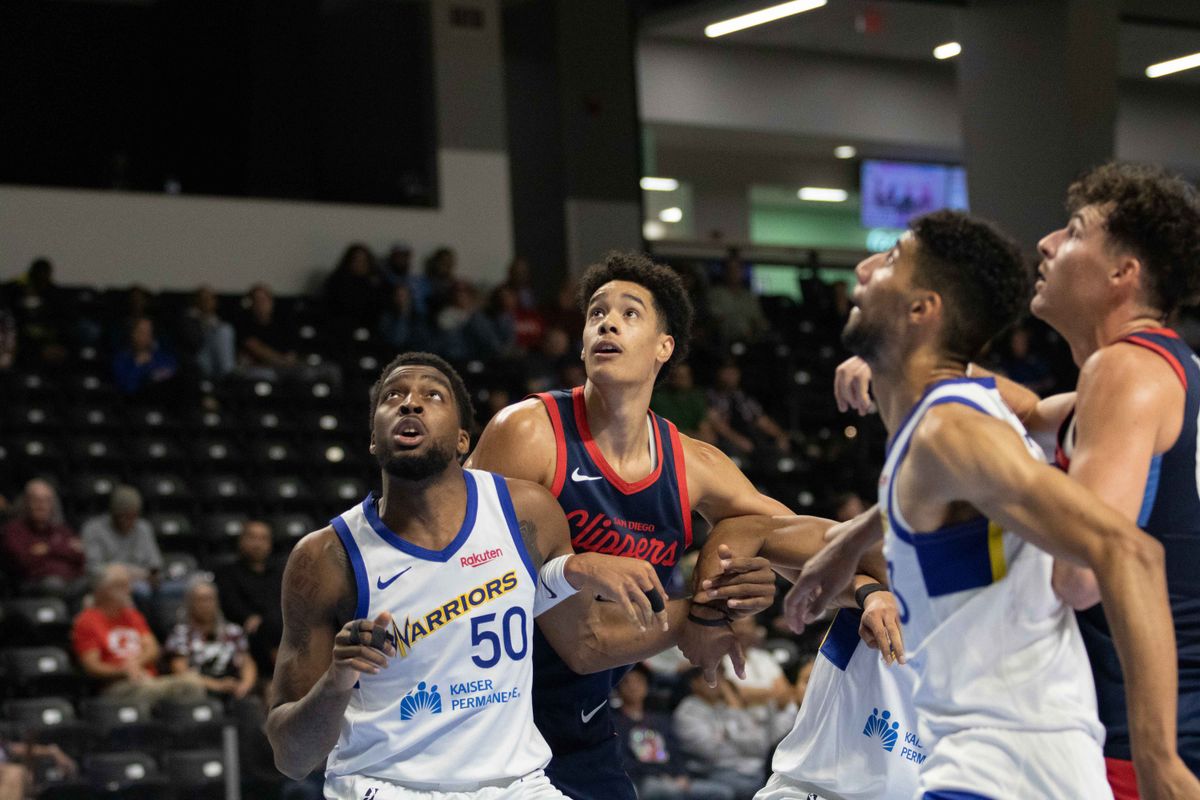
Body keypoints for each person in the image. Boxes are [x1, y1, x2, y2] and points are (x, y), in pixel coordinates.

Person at [787, 210, 1198, 798]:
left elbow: (1129, 552)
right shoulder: (962, 424)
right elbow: (1007, 431)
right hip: (1011, 761)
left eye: (891, 259)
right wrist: (848, 545)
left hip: (1007, 766)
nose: (863, 267)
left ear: (922, 311)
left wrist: (1161, 762)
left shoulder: (954, 431)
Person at [266, 352, 685, 798]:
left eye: (432, 395)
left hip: (518, 786)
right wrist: (336, 681)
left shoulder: (528, 513)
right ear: (374, 439)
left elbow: (574, 635)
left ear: (464, 438)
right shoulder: (325, 558)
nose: (411, 403)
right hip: (387, 786)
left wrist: (574, 569)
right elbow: (291, 758)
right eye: (394, 396)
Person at [466, 251, 787, 800]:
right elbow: (576, 638)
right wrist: (703, 613)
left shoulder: (692, 463)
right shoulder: (528, 433)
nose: (607, 323)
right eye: (595, 313)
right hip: (481, 716)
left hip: (579, 722)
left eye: (629, 313)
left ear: (666, 347)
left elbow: (793, 534)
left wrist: (867, 590)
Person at [71, 564, 205, 705]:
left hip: (148, 679)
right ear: (103, 590)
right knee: (147, 688)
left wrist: (136, 663)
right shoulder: (86, 621)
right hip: (116, 685)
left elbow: (153, 649)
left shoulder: (132, 616)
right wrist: (123, 671)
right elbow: (92, 666)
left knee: (192, 682)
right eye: (122, 586)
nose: (129, 590)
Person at [613, 665, 733, 800]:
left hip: (672, 778)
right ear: (618, 687)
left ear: (647, 685)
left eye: (638, 681)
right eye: (627, 682)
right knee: (668, 791)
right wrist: (659, 775)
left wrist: (681, 775)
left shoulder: (661, 720)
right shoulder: (613, 723)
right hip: (642, 779)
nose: (633, 686)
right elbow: (622, 760)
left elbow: (675, 750)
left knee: (721, 793)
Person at [672, 668, 783, 800]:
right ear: (695, 683)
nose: (719, 681)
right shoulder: (688, 712)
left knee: (778, 778)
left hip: (748, 769)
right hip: (711, 771)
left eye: (721, 675)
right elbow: (710, 752)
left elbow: (759, 744)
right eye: (712, 675)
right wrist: (742, 747)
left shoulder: (727, 707)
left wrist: (729, 735)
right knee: (763, 786)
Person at [214, 519, 284, 677]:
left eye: (263, 538)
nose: (257, 544)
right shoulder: (227, 573)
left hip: (277, 625)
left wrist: (264, 618)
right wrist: (248, 617)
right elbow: (230, 604)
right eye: (252, 537)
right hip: (246, 630)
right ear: (241, 541)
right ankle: (283, 675)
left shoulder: (280, 572)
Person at [1, 478, 87, 604]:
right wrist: (63, 549)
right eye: (36, 500)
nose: (41, 505)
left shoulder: (62, 530)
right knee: (53, 584)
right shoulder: (13, 530)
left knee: (95, 582)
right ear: (26, 503)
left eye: (46, 500)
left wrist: (47, 549)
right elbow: (24, 563)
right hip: (34, 584)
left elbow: (80, 557)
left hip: (70, 581)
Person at [80, 485, 163, 598]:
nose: (129, 522)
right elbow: (93, 569)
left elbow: (154, 565)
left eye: (133, 516)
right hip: (107, 586)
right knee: (140, 592)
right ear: (113, 514)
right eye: (123, 516)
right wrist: (132, 573)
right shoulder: (93, 529)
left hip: (143, 584)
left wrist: (149, 575)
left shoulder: (143, 528)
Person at [111, 317, 179, 397]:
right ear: (132, 334)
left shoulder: (164, 357)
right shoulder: (122, 359)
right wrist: (138, 365)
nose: (147, 336)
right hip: (135, 404)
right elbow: (127, 389)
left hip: (162, 404)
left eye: (149, 332)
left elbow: (173, 379)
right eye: (142, 332)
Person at [179, 285, 236, 380]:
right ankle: (228, 373)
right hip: (198, 358)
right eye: (203, 299)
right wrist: (203, 323)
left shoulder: (216, 319)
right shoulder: (188, 318)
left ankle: (227, 372)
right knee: (224, 330)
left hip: (216, 359)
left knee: (225, 329)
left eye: (210, 299)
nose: (206, 302)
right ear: (196, 301)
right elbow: (194, 343)